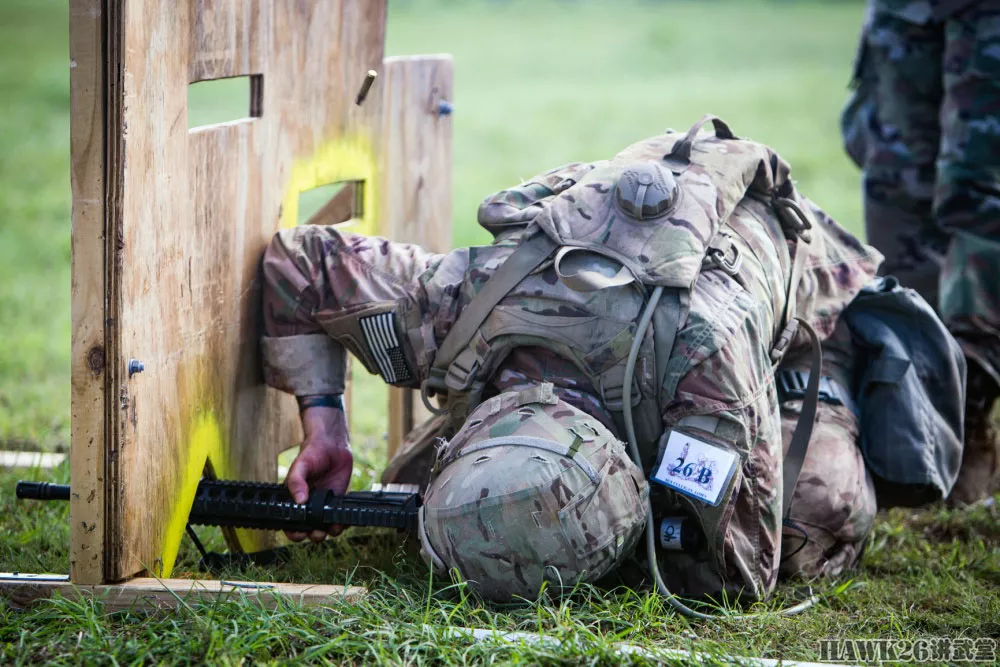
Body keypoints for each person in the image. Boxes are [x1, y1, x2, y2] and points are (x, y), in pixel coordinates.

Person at [259, 116, 964, 604]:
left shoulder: (701, 373)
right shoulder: (458, 305)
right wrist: (327, 427)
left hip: (788, 283)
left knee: (815, 509)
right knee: (461, 503)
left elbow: (743, 567)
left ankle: (831, 385)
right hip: (613, 268)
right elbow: (298, 263)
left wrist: (630, 539)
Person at [842, 0, 1000, 504]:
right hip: (909, 10)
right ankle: (912, 410)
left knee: (978, 194)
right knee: (895, 184)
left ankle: (967, 409)